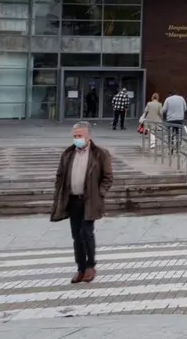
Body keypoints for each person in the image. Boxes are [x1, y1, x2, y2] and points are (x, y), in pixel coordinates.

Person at [50, 122, 113, 285]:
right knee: (76, 236)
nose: (77, 139)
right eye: (75, 136)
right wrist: (59, 191)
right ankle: (80, 267)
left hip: (90, 200)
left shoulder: (100, 154)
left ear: (88, 136)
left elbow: (108, 177)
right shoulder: (68, 154)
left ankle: (91, 266)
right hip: (72, 200)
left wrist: (100, 194)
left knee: (87, 233)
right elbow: (60, 175)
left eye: (80, 136)